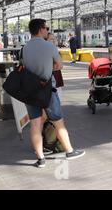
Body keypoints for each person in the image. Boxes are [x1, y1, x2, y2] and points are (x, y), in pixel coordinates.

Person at [22, 19, 85, 168]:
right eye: (46, 28)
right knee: (58, 122)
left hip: (30, 91)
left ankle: (41, 159)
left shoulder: (25, 48)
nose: (47, 30)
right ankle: (69, 151)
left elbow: (24, 66)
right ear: (41, 29)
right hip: (47, 89)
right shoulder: (49, 46)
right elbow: (59, 65)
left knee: (35, 124)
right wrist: (48, 68)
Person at [46, 33, 64, 100]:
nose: (54, 41)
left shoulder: (55, 50)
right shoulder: (51, 51)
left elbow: (59, 66)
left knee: (58, 99)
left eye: (54, 39)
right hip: (51, 80)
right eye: (51, 39)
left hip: (56, 78)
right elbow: (59, 66)